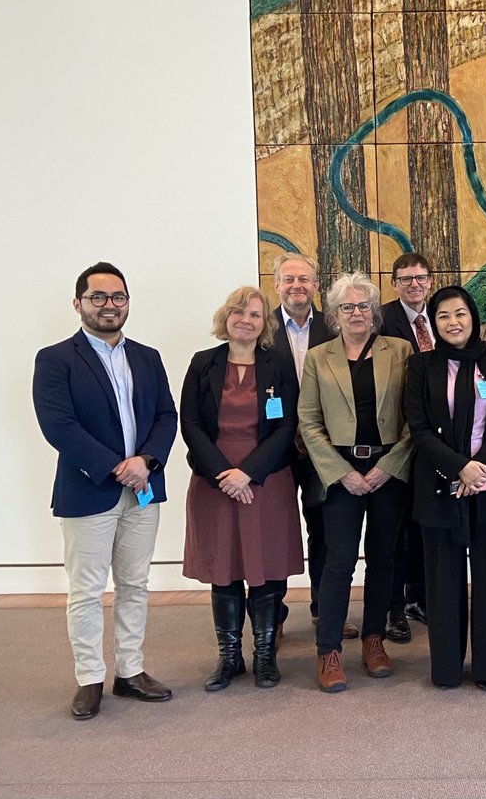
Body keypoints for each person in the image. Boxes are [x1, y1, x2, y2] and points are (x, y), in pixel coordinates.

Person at [33, 262, 178, 720]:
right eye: (98, 297)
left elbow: (166, 417)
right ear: (78, 303)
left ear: (128, 303)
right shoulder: (55, 359)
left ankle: (130, 671)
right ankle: (89, 678)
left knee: (135, 584)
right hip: (88, 490)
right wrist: (117, 467)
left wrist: (147, 462)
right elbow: (59, 426)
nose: (109, 305)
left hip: (143, 490)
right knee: (87, 590)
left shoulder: (147, 356)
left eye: (117, 297)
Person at [180, 286, 304, 690]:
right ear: (226, 317)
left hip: (265, 480)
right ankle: (229, 658)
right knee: (225, 569)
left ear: (264, 323)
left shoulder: (279, 364)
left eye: (254, 314)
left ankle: (265, 657)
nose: (246, 320)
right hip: (214, 481)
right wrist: (225, 475)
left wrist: (248, 473)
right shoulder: (203, 363)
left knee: (266, 570)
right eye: (239, 312)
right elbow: (191, 425)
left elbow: (287, 426)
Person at [298, 273, 415, 692]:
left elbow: (413, 418)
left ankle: (373, 640)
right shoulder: (318, 357)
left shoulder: (399, 351)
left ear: (375, 311)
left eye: (364, 305)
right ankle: (328, 649)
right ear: (334, 314)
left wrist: (390, 464)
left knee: (385, 559)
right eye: (347, 307)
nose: (357, 313)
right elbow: (309, 422)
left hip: (389, 468)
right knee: (339, 563)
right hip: (339, 471)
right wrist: (341, 472)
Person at [406, 285, 486, 690]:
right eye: (443, 317)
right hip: (440, 485)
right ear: (433, 324)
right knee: (443, 582)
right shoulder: (421, 366)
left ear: (473, 316)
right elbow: (418, 429)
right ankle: (448, 669)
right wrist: (460, 470)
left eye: (460, 314)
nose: (453, 323)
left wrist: (480, 468)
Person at [269, 252, 356, 641]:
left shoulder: (334, 327)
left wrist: (314, 436)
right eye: (288, 280)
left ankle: (325, 609)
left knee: (325, 530)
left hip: (325, 449)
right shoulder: (261, 328)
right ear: (277, 285)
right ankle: (274, 612)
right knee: (274, 530)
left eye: (304, 279)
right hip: (275, 448)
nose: (296, 286)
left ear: (316, 286)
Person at [380, 252, 434, 642]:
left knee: (423, 526)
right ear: (394, 283)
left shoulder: (445, 315)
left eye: (420, 277)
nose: (414, 284)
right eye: (406, 279)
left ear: (430, 281)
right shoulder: (380, 319)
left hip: (437, 440)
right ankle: (392, 609)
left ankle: (421, 598)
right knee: (395, 530)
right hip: (396, 436)